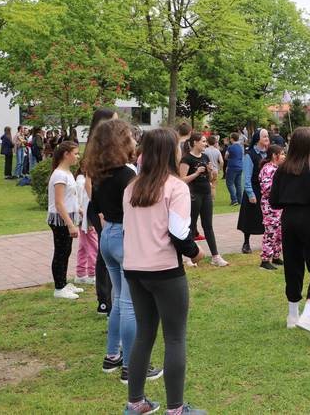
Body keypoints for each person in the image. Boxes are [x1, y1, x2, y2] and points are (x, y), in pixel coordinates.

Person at [122, 128, 207, 415]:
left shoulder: (131, 187)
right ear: (171, 152)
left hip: (135, 269)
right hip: (165, 271)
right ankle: (176, 409)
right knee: (174, 337)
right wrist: (195, 253)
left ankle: (135, 403)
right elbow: (178, 232)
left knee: (144, 334)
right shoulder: (175, 187)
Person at [86, 119, 163, 382]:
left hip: (108, 236)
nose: (134, 139)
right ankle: (132, 366)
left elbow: (95, 208)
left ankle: (113, 355)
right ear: (120, 142)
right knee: (130, 304)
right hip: (124, 236)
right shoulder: (127, 175)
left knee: (119, 299)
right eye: (130, 136)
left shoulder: (99, 174)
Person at [269, 127, 310, 338]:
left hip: (288, 220)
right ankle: (308, 313)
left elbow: (274, 201)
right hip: (309, 221)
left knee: (293, 266)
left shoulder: (282, 169)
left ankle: (292, 316)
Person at [180, 133, 228, 267]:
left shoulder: (205, 157)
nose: (205, 144)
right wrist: (196, 173)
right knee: (191, 225)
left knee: (208, 225)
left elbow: (210, 178)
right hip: (193, 195)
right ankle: (189, 257)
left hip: (206, 193)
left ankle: (215, 256)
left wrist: (211, 172)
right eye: (203, 141)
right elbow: (181, 179)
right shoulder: (186, 159)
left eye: (206, 141)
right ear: (195, 142)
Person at [87, 108, 117, 316]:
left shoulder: (110, 147)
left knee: (109, 251)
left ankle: (111, 296)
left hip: (107, 205)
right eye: (114, 121)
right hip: (101, 208)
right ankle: (104, 299)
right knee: (104, 252)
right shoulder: (95, 148)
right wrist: (100, 210)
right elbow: (89, 183)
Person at [47, 141, 82, 300]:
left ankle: (63, 283)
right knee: (61, 252)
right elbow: (59, 203)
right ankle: (59, 287)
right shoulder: (60, 175)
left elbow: (69, 197)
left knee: (65, 251)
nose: (77, 156)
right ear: (66, 154)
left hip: (66, 217)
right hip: (60, 219)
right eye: (75, 153)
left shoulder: (66, 172)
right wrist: (70, 225)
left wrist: (79, 209)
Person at [238, 129, 269, 254]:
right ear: (257, 139)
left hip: (266, 190)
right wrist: (250, 193)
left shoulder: (269, 154)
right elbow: (246, 177)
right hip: (254, 189)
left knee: (267, 217)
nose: (267, 138)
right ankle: (246, 243)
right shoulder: (249, 155)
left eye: (267, 136)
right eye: (264, 136)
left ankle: (269, 242)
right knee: (249, 218)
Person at [258, 145, 286, 271]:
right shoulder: (268, 169)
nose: (284, 156)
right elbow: (266, 188)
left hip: (278, 205)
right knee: (271, 232)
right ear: (275, 156)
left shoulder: (277, 169)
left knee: (279, 231)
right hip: (270, 205)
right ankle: (265, 260)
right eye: (282, 154)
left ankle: (276, 255)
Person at [74, 159, 98, 286]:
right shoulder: (83, 182)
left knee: (84, 246)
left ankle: (81, 273)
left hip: (83, 218)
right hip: (86, 219)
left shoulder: (80, 180)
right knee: (93, 246)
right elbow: (83, 201)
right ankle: (92, 273)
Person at [225, 132, 244, 207]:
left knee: (229, 183)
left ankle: (234, 200)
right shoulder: (240, 147)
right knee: (238, 184)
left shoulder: (230, 147)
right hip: (240, 166)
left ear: (232, 139)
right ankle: (240, 200)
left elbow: (226, 156)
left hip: (232, 166)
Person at [203, 135, 223, 202]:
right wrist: (220, 169)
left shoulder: (204, 151)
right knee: (213, 186)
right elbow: (221, 161)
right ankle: (212, 200)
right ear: (214, 142)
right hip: (215, 170)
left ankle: (207, 199)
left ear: (207, 142)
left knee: (207, 185)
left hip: (207, 170)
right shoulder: (217, 151)